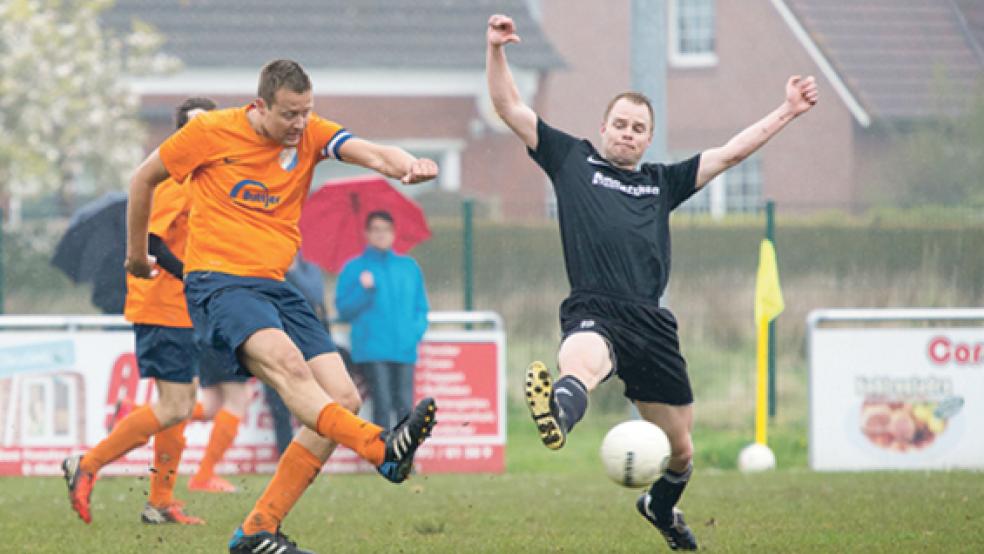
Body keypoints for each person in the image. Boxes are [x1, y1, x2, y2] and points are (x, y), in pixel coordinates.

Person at [486, 14, 818, 551]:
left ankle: (659, 509)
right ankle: (558, 416)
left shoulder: (662, 183)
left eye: (638, 128)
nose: (628, 133)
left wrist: (788, 110)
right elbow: (508, 108)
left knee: (681, 451)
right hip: (594, 306)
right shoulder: (572, 159)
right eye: (620, 124)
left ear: (648, 138)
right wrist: (496, 49)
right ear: (603, 127)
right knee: (581, 361)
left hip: (652, 323)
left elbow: (731, 152)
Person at [123, 59, 439, 554]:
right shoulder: (210, 131)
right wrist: (136, 256)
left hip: (276, 285)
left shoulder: (310, 134)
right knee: (292, 369)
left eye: (306, 112)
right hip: (220, 285)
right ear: (260, 106)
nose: (299, 124)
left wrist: (407, 166)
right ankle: (381, 448)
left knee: (343, 401)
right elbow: (143, 179)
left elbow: (372, 153)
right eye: (289, 114)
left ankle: (257, 530)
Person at [62, 97, 217, 526]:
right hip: (163, 304)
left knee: (180, 405)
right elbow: (150, 243)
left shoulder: (203, 182)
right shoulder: (172, 179)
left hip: (184, 308)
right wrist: (193, 276)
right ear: (178, 134)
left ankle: (161, 502)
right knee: (174, 405)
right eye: (192, 127)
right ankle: (88, 463)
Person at [335, 210, 429, 428]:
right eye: (376, 230)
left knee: (406, 407)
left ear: (394, 233)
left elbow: (421, 307)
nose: (381, 235)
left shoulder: (409, 267)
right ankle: (384, 459)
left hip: (404, 349)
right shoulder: (354, 269)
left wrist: (414, 333)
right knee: (382, 405)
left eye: (385, 230)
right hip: (372, 350)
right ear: (367, 233)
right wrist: (363, 291)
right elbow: (344, 310)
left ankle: (405, 458)